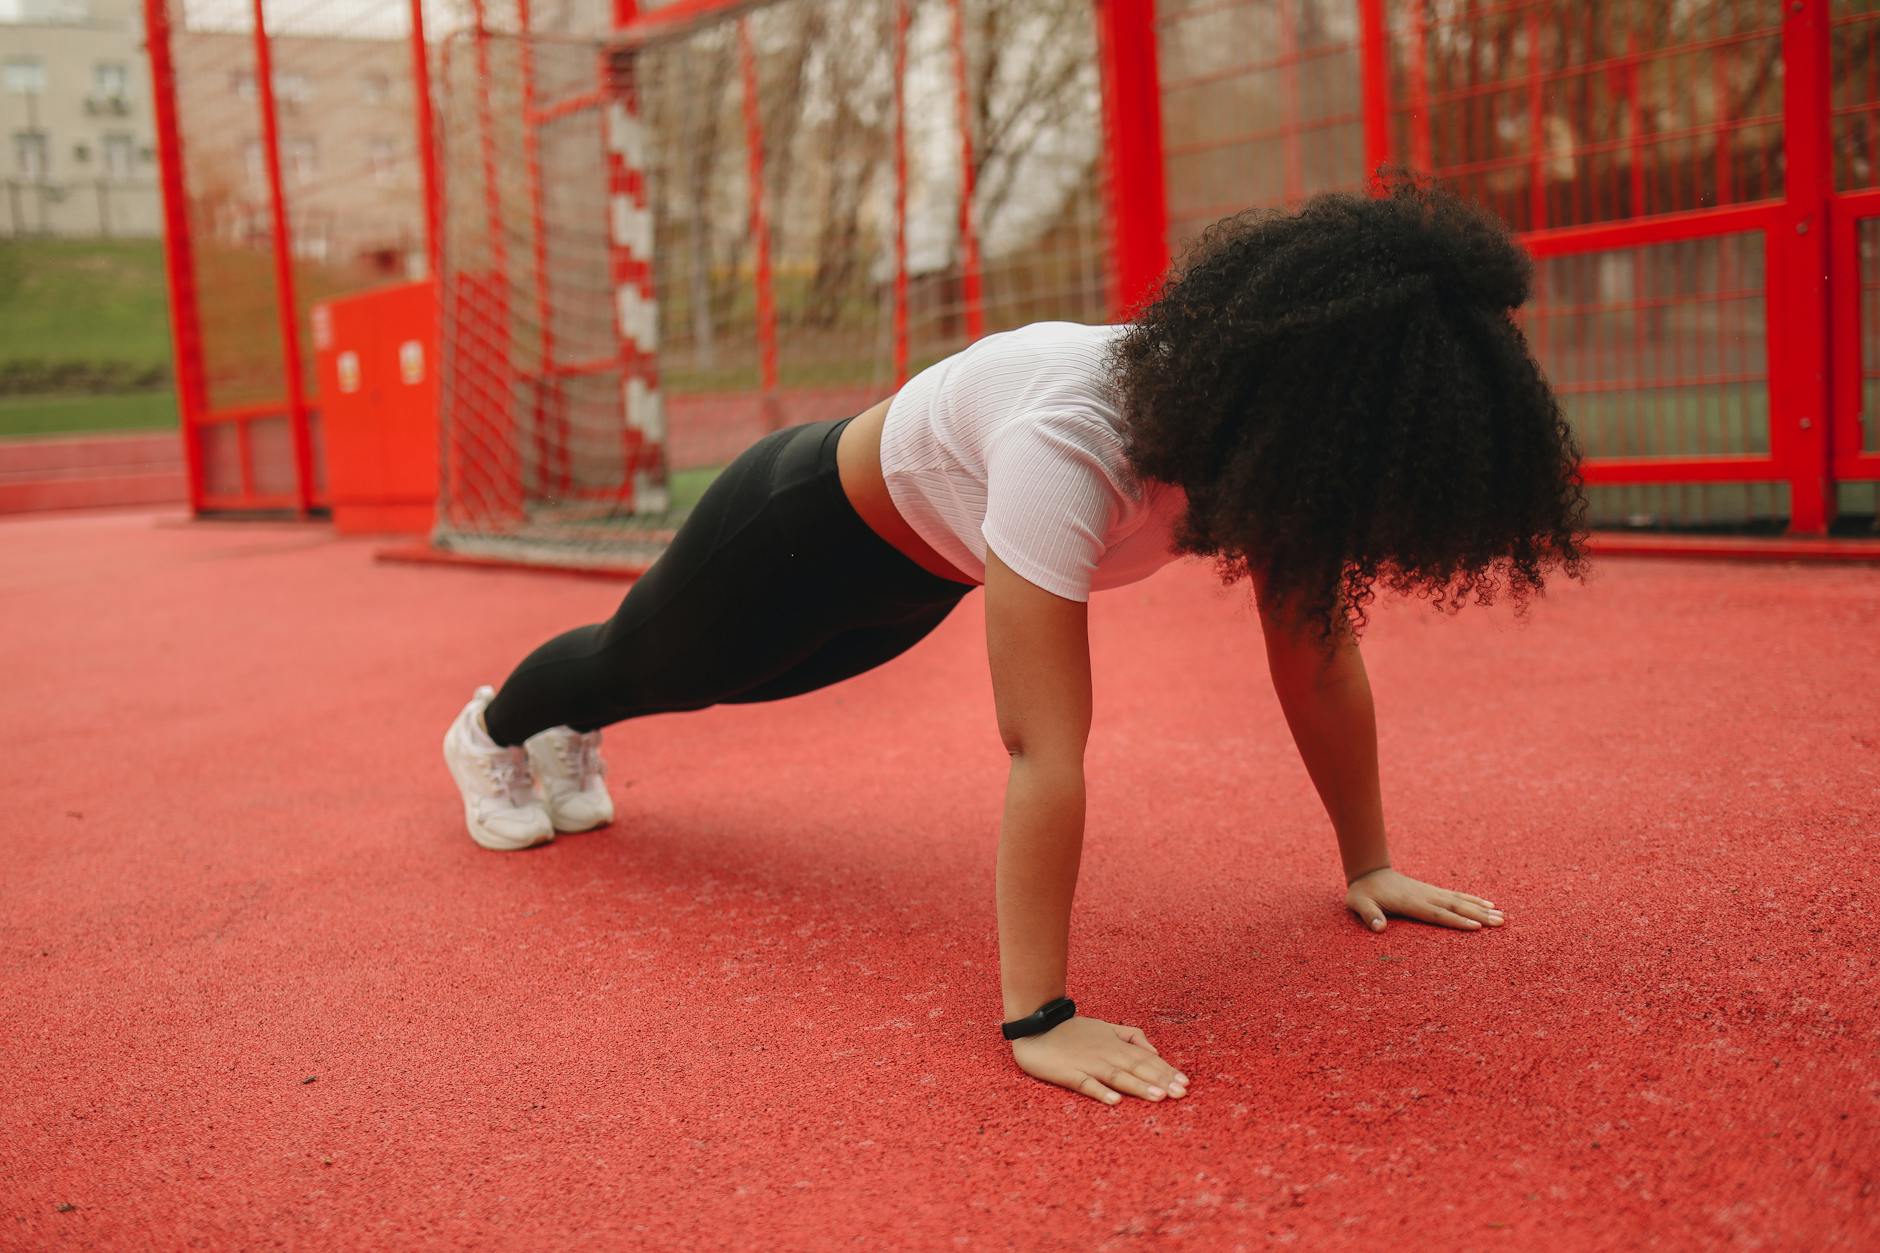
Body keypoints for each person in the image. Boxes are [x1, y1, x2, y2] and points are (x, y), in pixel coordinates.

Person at [441, 178, 1589, 1106]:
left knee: (718, 689)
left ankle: (567, 732)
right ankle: (492, 729)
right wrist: (1039, 1016)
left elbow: (1317, 651)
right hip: (794, 524)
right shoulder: (1075, 436)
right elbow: (1043, 746)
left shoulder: (1264, 455)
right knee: (643, 666)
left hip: (924, 571)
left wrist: (1367, 860)